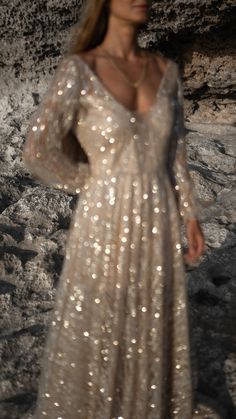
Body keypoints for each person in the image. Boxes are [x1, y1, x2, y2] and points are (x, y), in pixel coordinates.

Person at [22, 1, 221, 418]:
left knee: (150, 317)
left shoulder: (165, 72)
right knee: (103, 318)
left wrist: (189, 213)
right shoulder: (79, 70)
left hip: (159, 219)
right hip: (103, 222)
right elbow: (39, 150)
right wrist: (93, 184)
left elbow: (176, 152)